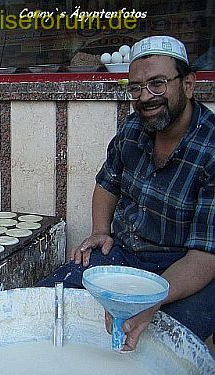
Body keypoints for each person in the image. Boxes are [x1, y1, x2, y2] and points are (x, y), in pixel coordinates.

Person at [37, 35, 214, 350]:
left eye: (157, 84)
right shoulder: (134, 129)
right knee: (49, 303)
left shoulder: (211, 151)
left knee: (162, 345)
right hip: (124, 255)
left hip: (183, 268)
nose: (146, 98)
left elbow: (204, 257)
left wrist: (152, 300)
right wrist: (101, 231)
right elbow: (108, 183)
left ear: (188, 84)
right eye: (136, 87)